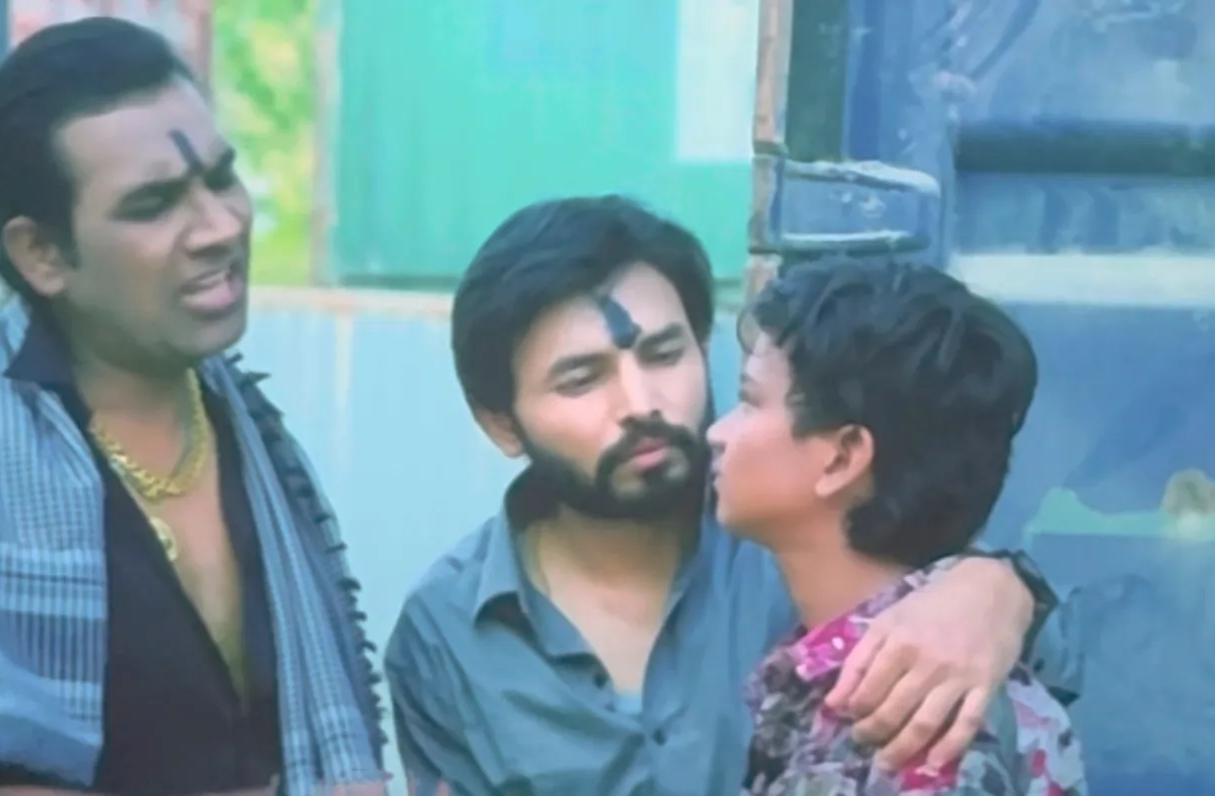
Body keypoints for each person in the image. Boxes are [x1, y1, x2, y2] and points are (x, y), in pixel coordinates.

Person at [0, 19, 385, 795]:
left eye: (221, 179)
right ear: (43, 254)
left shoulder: (266, 456)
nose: (221, 227)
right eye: (154, 204)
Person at [384, 196, 1080, 795]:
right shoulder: (445, 634)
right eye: (581, 380)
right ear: (501, 423)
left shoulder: (805, 533)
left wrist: (997, 592)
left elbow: (1041, 670)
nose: (641, 403)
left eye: (664, 354)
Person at [711, 257, 1084, 794]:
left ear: (843, 457)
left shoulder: (912, 726)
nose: (718, 433)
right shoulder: (855, 674)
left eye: (749, 402)